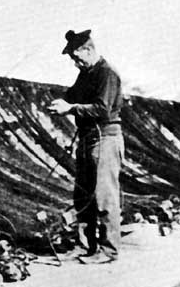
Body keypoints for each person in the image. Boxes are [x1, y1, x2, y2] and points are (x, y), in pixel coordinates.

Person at [47, 29, 124, 265]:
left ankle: (108, 250)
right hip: (88, 138)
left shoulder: (106, 74)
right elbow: (73, 95)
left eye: (76, 57)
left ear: (88, 50)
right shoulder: (86, 74)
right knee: (83, 194)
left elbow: (102, 109)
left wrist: (69, 109)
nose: (75, 63)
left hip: (105, 138)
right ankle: (84, 246)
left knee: (104, 196)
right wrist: (60, 100)